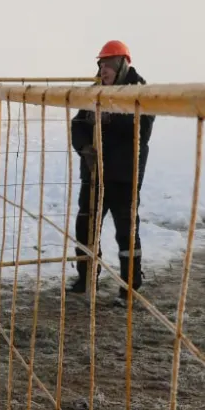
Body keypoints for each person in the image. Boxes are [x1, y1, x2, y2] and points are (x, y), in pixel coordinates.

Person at [69, 39, 155, 300]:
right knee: (86, 224)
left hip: (123, 175)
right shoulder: (94, 90)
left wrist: (109, 120)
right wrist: (85, 148)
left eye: (108, 64)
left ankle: (130, 285)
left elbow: (141, 130)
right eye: (101, 64)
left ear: (122, 64)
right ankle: (86, 280)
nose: (103, 70)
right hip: (94, 173)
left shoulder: (139, 91)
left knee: (126, 230)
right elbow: (79, 124)